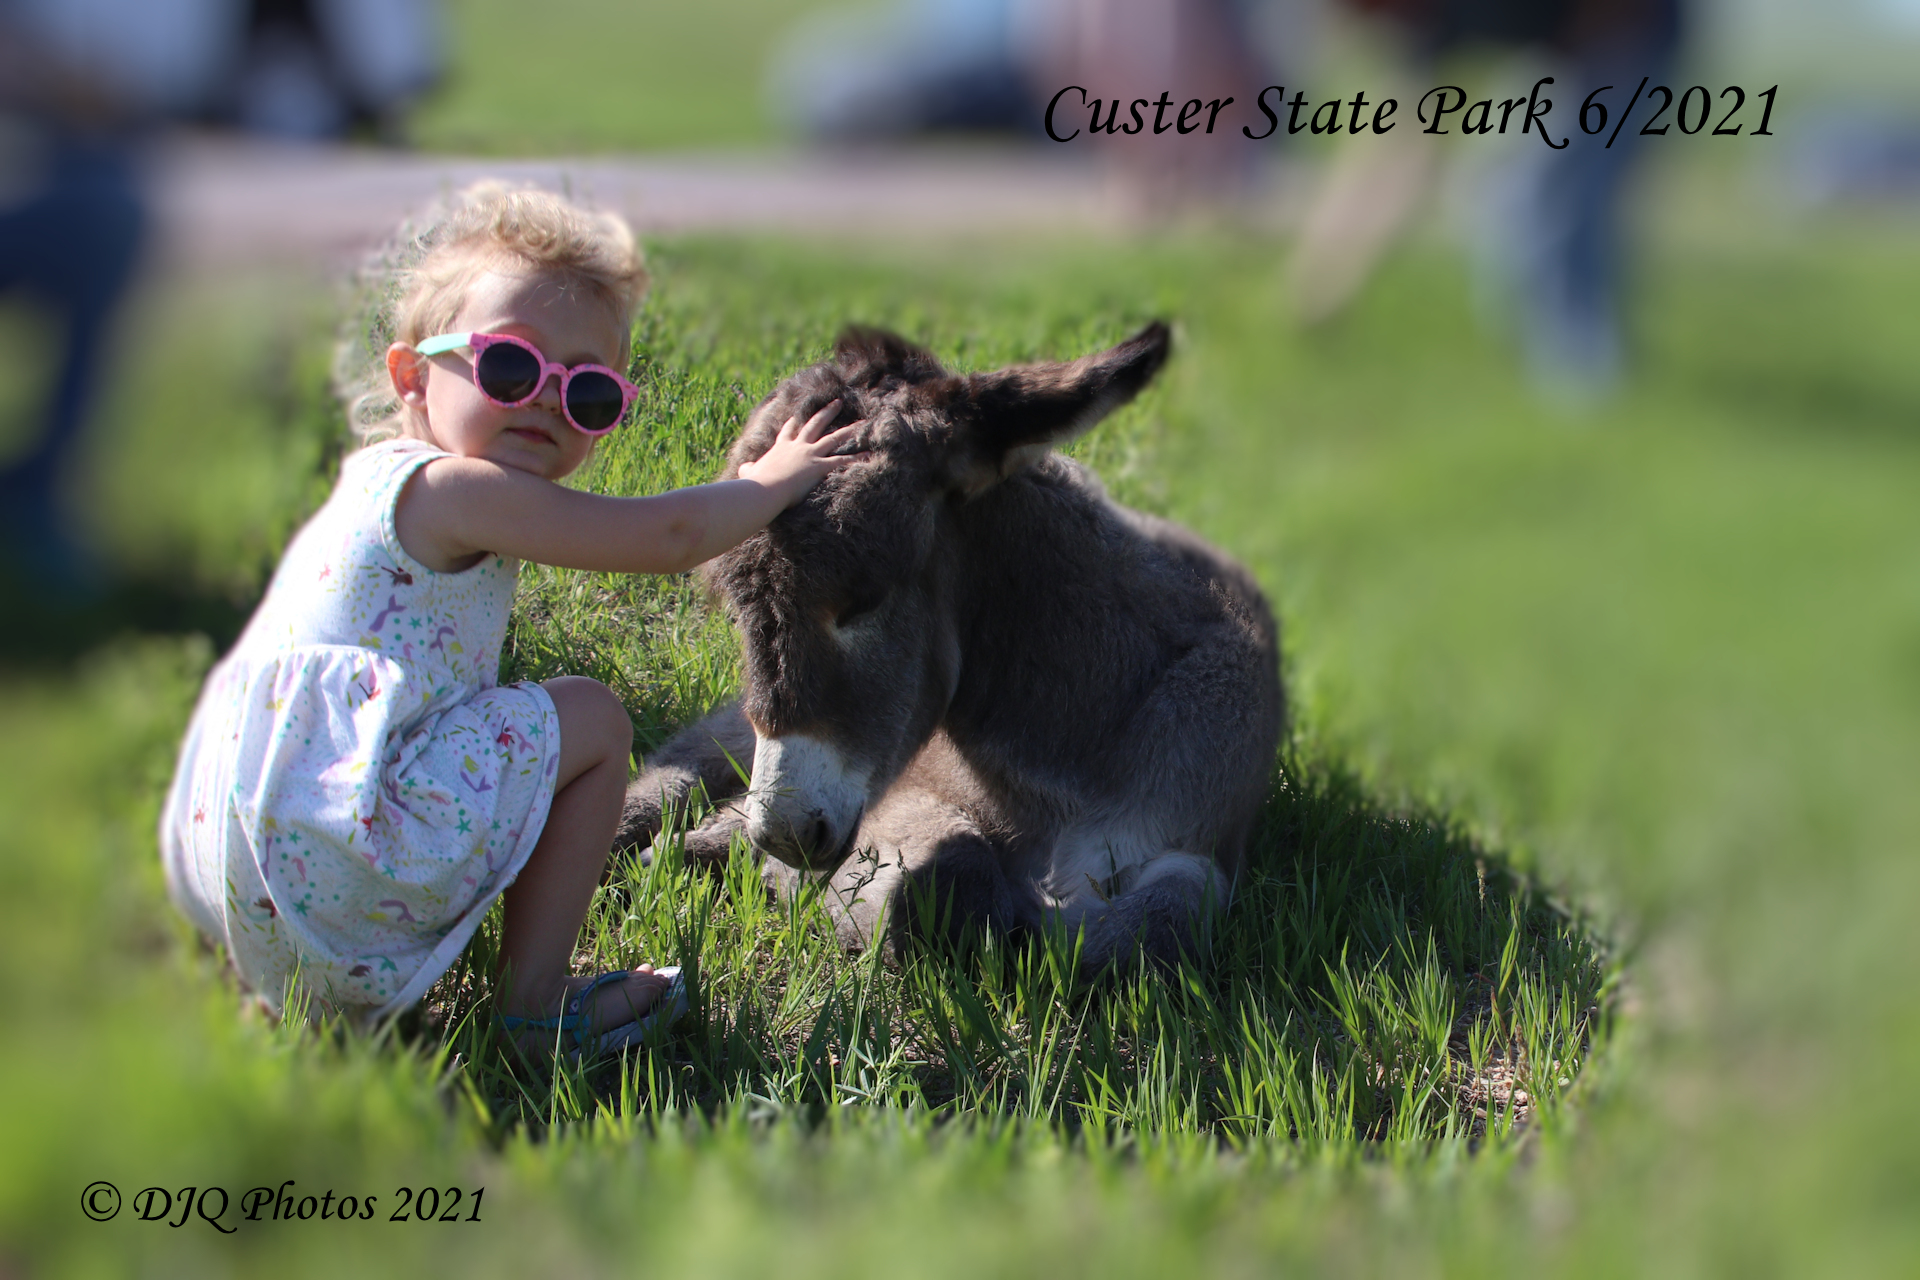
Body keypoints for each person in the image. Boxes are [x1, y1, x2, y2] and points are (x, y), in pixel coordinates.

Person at [158, 185, 868, 1052]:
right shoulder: (456, 490)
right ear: (412, 376)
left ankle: (297, 986)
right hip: (338, 852)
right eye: (509, 368)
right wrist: (770, 480)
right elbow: (673, 537)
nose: (541, 401)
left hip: (243, 853)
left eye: (586, 393)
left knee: (503, 722)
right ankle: (534, 1002)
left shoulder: (375, 481)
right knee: (593, 721)